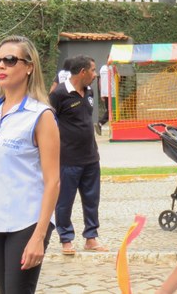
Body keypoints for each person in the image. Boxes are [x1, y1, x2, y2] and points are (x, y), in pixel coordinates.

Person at [0, 35, 60, 293]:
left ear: (29, 67)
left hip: (26, 222)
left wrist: (39, 236)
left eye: (10, 60)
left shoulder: (40, 116)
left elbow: (53, 181)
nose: (1, 66)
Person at [49, 55, 109, 255]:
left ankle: (91, 237)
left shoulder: (89, 91)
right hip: (68, 158)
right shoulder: (59, 94)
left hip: (91, 157)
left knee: (92, 200)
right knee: (64, 201)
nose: (95, 74)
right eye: (92, 70)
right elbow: (49, 122)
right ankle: (66, 239)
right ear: (82, 72)